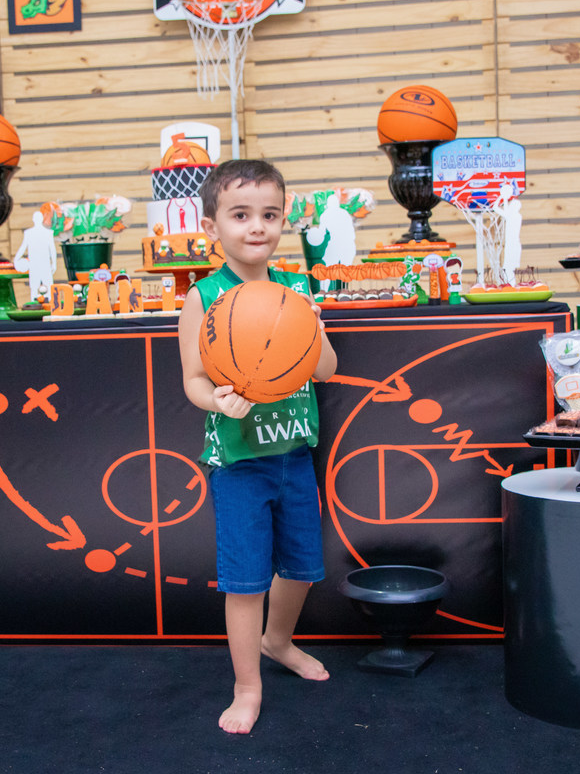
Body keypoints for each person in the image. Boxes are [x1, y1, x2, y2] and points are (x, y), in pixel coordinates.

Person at [177, 159, 338, 735]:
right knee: (246, 581)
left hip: (294, 455)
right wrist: (218, 401)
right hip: (239, 464)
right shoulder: (205, 295)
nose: (256, 227)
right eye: (240, 214)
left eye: (269, 215)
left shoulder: (298, 288)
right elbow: (194, 379)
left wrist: (311, 330)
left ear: (283, 221)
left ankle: (279, 641)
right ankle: (247, 685)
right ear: (213, 224)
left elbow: (326, 369)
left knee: (301, 569)